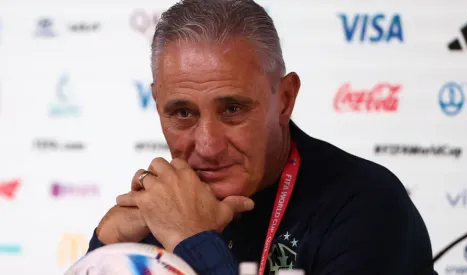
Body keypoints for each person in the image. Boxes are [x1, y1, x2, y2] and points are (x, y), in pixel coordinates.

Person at [87, 0, 437, 274]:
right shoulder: (153, 217)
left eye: (233, 110)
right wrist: (105, 250)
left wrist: (194, 243)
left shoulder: (367, 205)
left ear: (285, 100)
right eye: (182, 113)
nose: (207, 146)